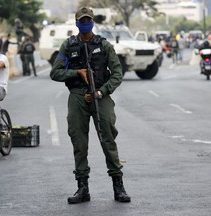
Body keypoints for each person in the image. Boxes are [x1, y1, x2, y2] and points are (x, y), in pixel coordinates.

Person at [50, 7, 130, 204]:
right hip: (77, 96)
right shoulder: (68, 45)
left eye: (88, 19)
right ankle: (82, 187)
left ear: (93, 21)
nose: (85, 22)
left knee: (108, 139)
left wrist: (103, 91)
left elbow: (118, 73)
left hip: (101, 95)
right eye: (82, 19)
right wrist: (76, 73)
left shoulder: (104, 45)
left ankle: (118, 186)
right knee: (79, 142)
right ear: (76, 22)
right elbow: (55, 72)